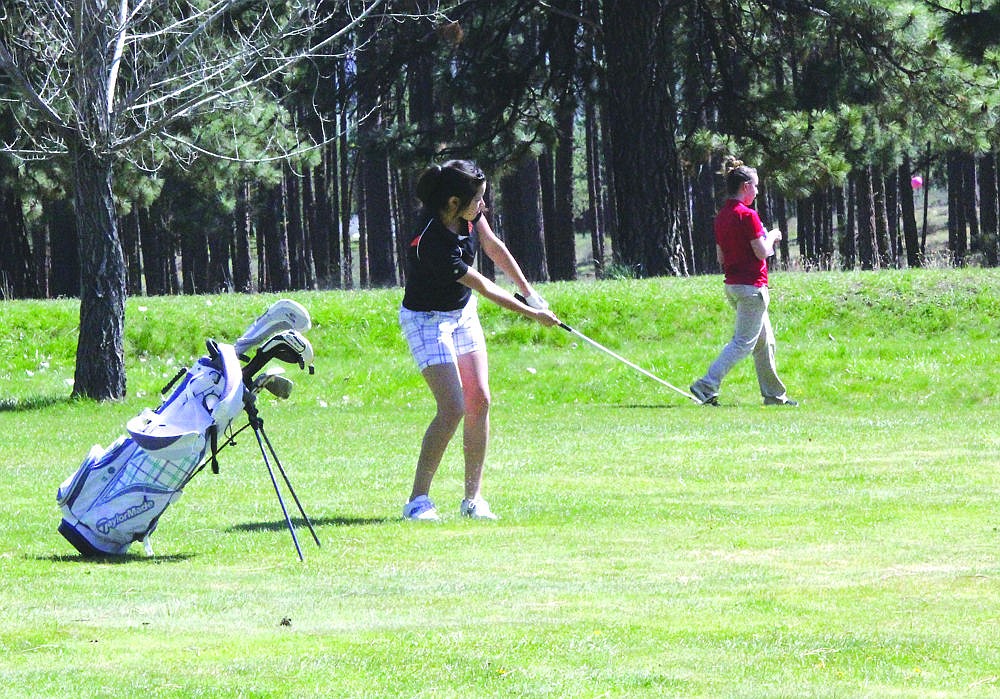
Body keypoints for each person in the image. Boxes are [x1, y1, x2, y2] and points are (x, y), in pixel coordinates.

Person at [399, 159, 561, 521]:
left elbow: (492, 246)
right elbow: (485, 286)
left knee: (480, 399)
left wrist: (529, 293)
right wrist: (531, 315)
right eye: (479, 200)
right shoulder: (431, 241)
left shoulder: (468, 215)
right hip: (426, 321)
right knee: (452, 407)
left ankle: (473, 499)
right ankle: (417, 501)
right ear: (453, 202)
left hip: (461, 314)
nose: (483, 206)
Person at [690, 158, 797, 407]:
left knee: (765, 342)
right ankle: (706, 385)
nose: (757, 192)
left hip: (734, 286)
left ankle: (774, 396)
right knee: (742, 343)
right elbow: (762, 252)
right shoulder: (748, 216)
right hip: (752, 288)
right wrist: (772, 236)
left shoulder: (722, 217)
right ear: (746, 186)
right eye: (756, 187)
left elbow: (720, 256)